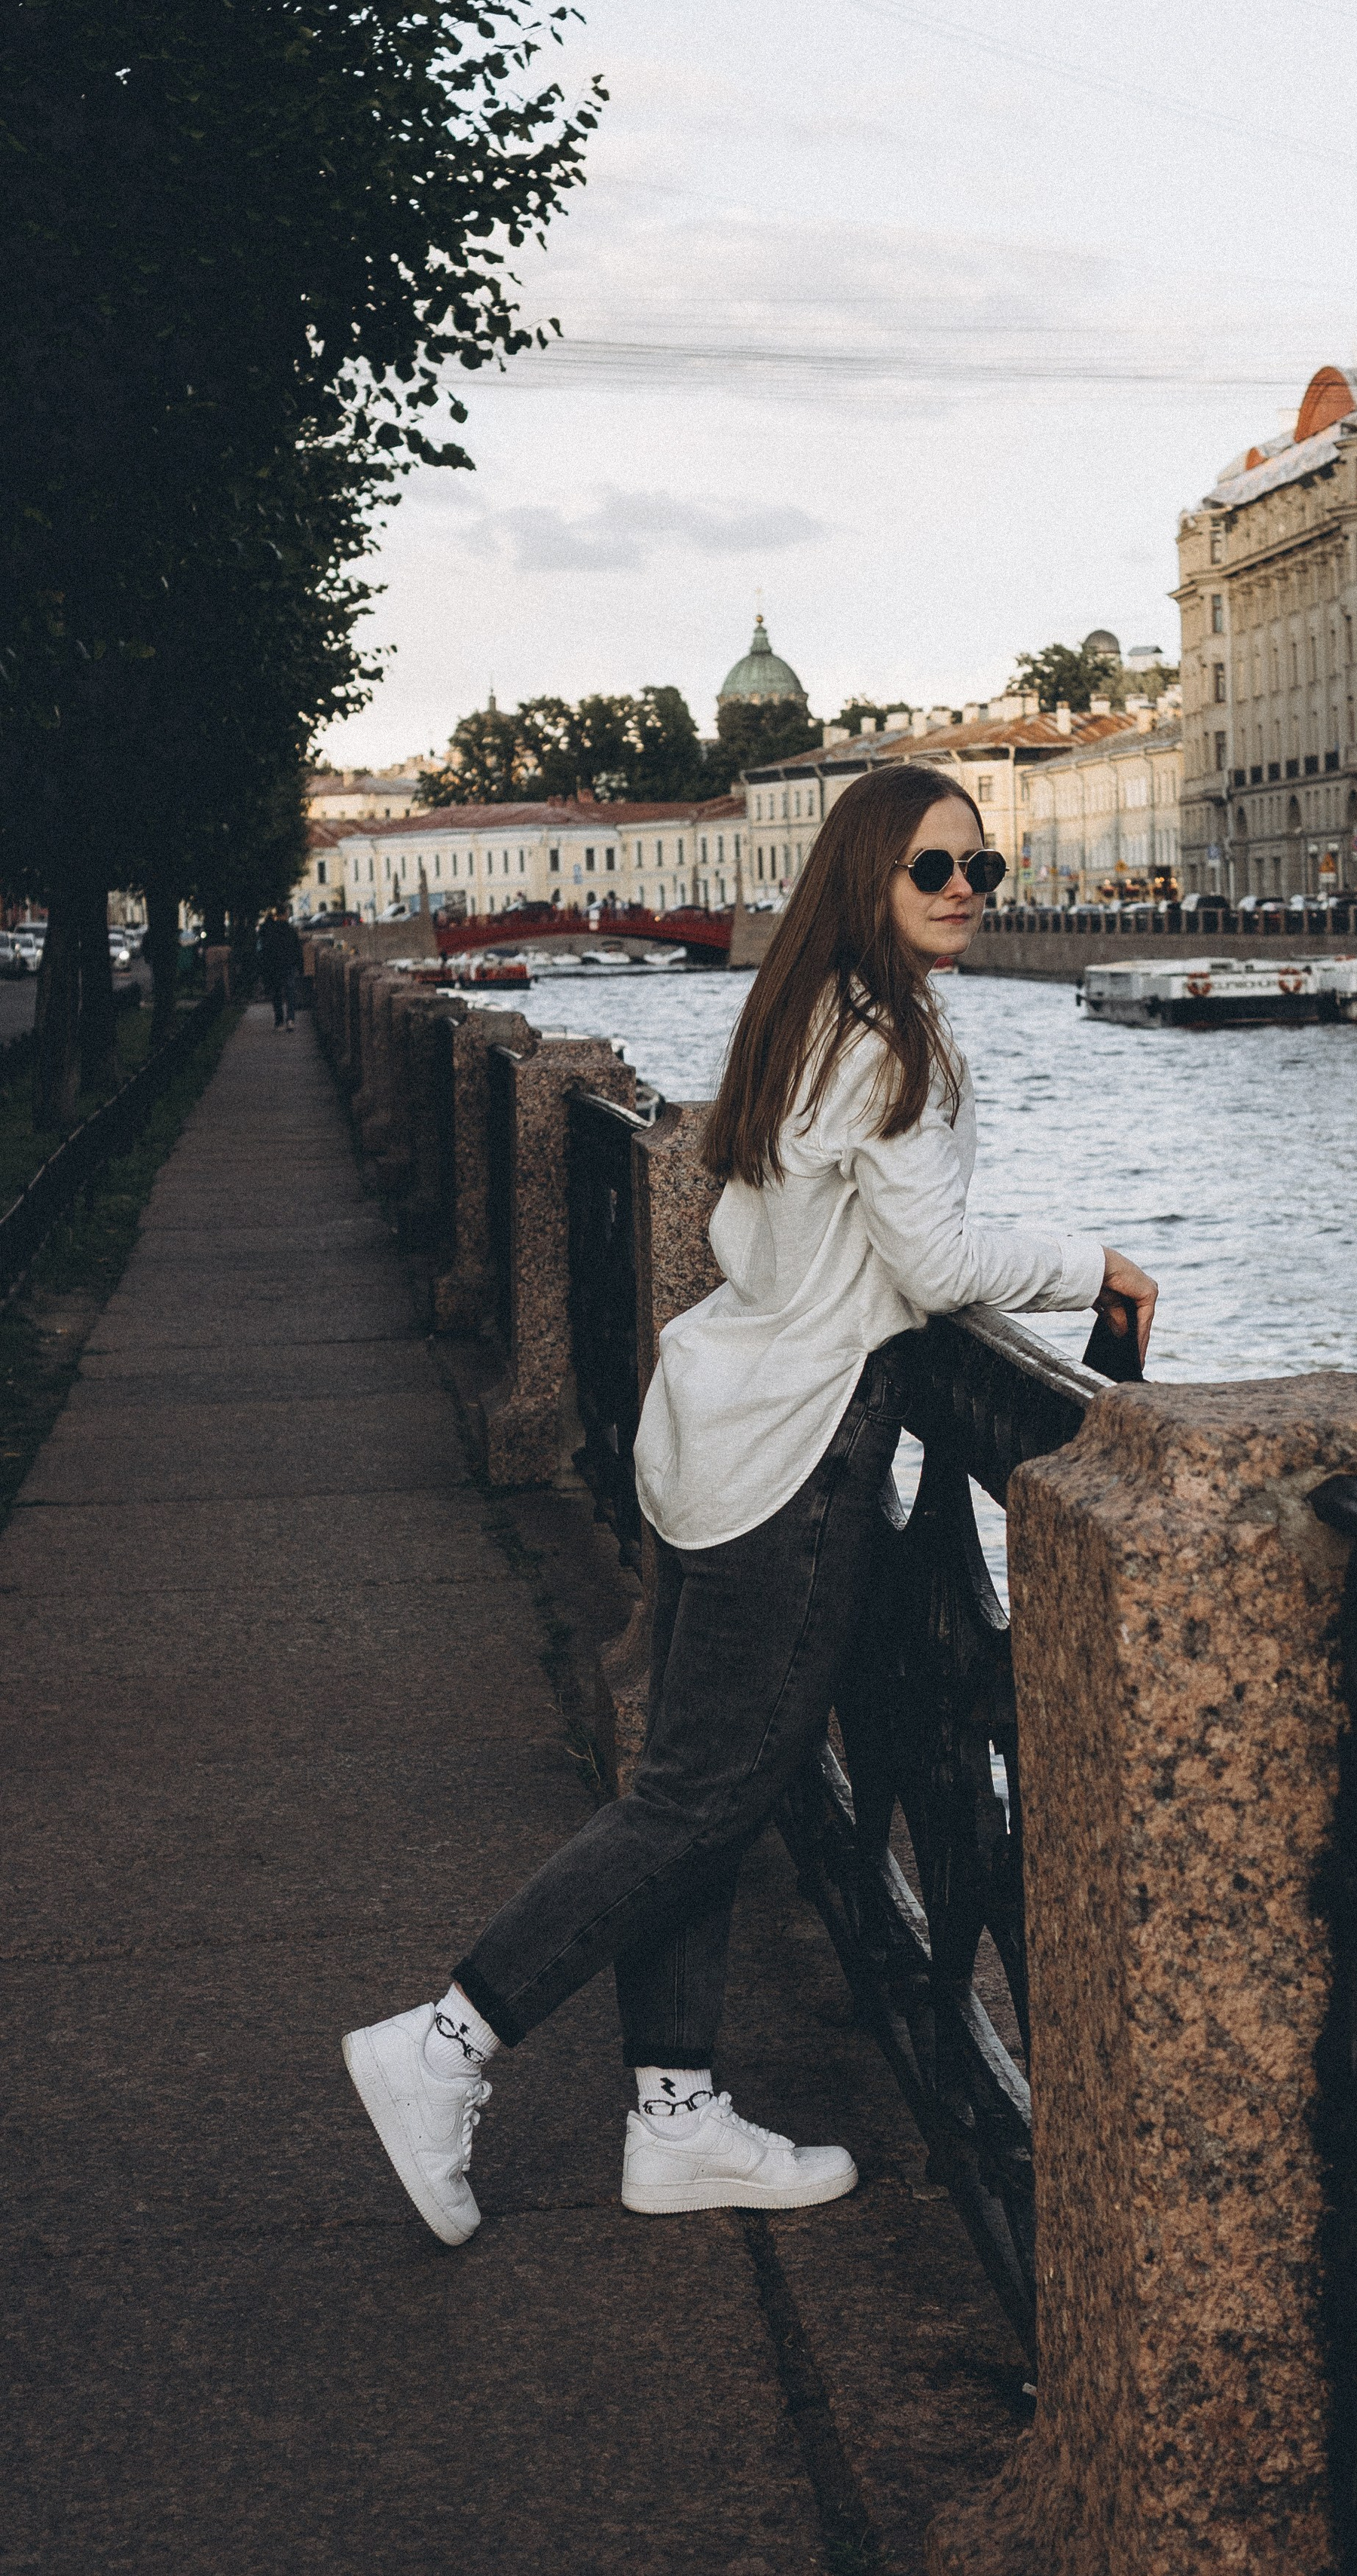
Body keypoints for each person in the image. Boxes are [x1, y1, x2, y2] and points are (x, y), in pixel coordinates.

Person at [343, 763, 1157, 2245]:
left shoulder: (801, 1020)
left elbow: (734, 1223)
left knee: (696, 1790)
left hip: (711, 1427)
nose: (967, 890)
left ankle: (675, 2117)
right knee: (703, 1797)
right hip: (797, 1456)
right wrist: (1093, 1268)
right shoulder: (894, 1042)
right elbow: (931, 1263)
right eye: (933, 869)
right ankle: (445, 2043)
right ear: (867, 878)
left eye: (983, 866)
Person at [258, 908, 304, 1029]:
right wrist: (300, 966)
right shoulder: (291, 930)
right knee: (290, 993)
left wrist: (266, 967)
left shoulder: (271, 931)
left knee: (277, 993)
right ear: (285, 915)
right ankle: (291, 1019)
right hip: (288, 965)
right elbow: (297, 950)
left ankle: (279, 1022)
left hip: (275, 966)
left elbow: (266, 950)